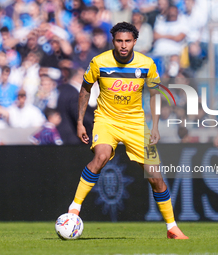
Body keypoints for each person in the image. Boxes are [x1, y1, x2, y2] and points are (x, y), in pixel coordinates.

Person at [67, 22, 188, 239]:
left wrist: (155, 126)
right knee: (101, 155)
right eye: (119, 41)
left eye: (128, 41)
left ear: (134, 42)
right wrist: (79, 122)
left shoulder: (147, 64)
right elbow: (85, 89)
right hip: (106, 120)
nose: (123, 45)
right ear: (113, 41)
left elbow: (155, 95)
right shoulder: (99, 62)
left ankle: (172, 227)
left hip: (136, 124)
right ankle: (74, 208)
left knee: (156, 177)